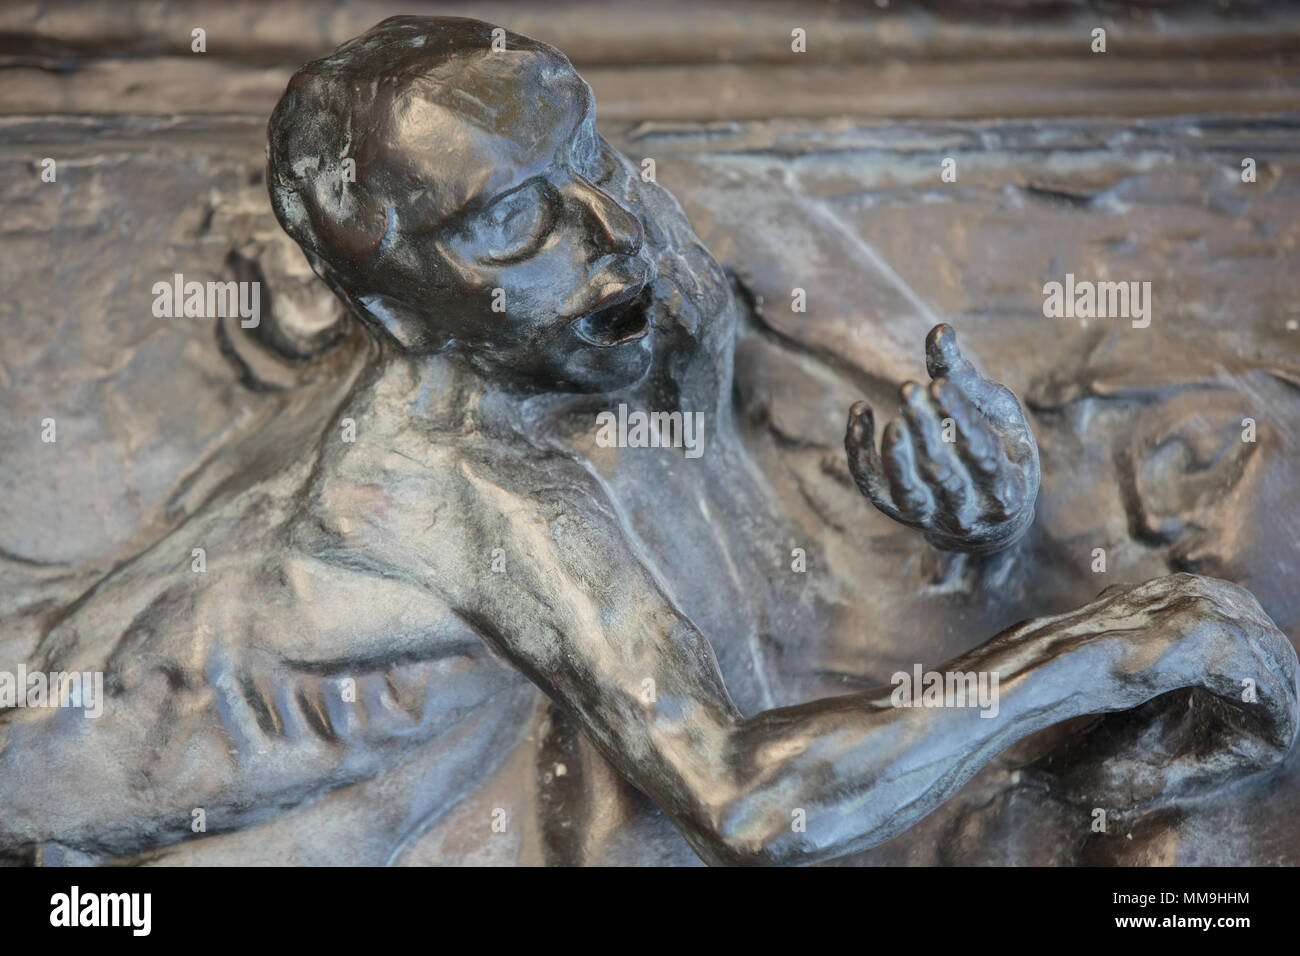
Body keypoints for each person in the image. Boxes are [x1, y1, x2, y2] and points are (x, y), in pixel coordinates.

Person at [2, 16, 1293, 866]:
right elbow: (748, 804)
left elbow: (835, 352)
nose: (605, 227)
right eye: (509, 219)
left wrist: (985, 493)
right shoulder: (464, 486)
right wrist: (1112, 651)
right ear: (399, 308)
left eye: (590, 158)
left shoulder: (610, 252)